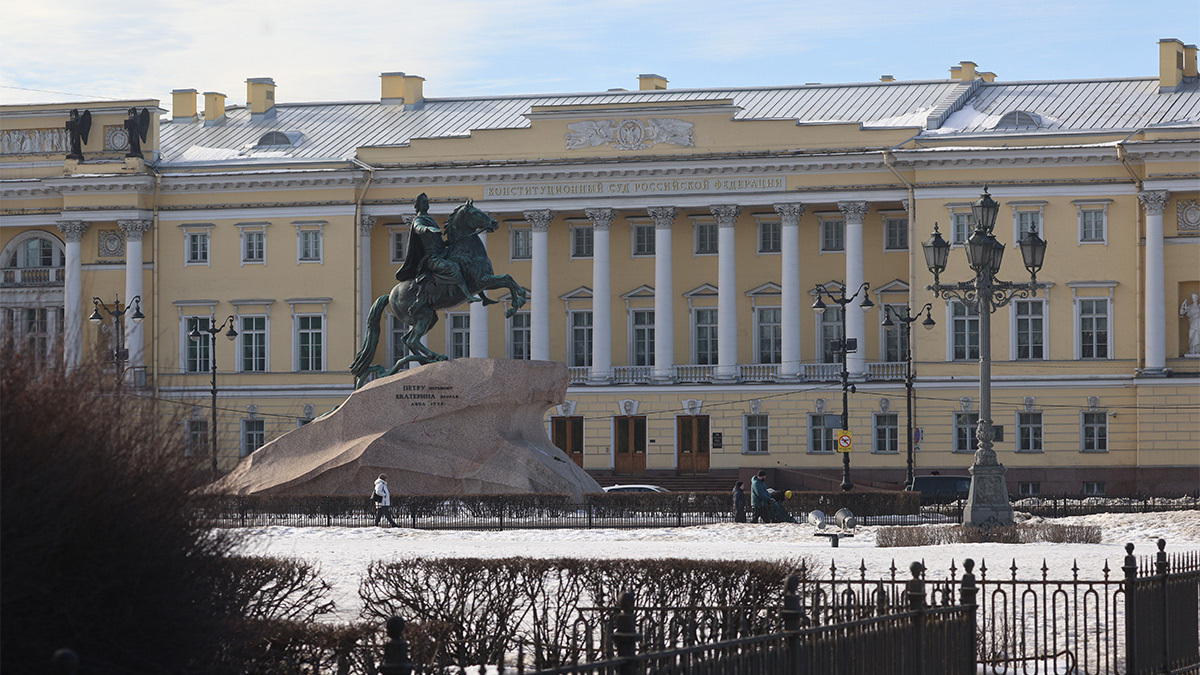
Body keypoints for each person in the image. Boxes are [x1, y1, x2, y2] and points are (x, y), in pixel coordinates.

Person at [394, 193, 485, 309]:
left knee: (466, 266)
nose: (426, 203)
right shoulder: (419, 219)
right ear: (418, 205)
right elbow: (418, 228)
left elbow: (438, 241)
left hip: (442, 253)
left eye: (427, 201)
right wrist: (427, 229)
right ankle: (468, 295)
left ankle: (482, 296)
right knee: (454, 268)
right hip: (432, 258)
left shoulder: (430, 219)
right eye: (423, 202)